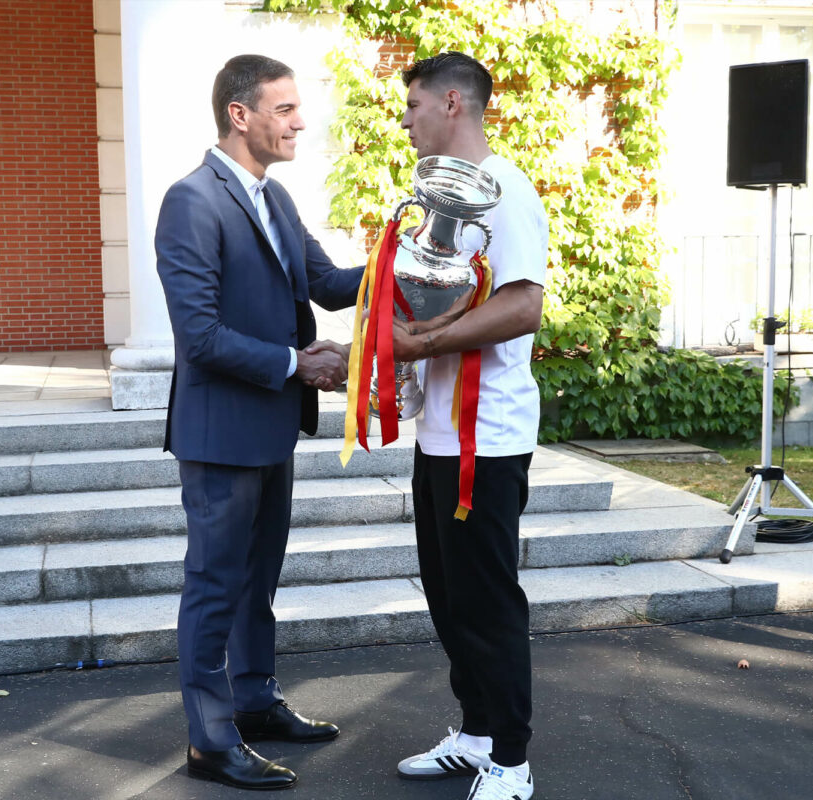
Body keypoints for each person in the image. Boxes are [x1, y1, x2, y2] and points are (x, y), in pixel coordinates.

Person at [155, 54, 363, 791]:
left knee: (258, 584)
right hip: (220, 434)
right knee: (215, 585)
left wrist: (414, 260)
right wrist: (295, 364)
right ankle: (210, 740)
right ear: (239, 115)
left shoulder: (273, 200)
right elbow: (200, 335)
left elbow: (330, 284)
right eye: (284, 109)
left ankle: (253, 700)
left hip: (271, 429)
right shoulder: (192, 201)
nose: (300, 121)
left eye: (297, 108)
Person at [389, 52, 548, 800]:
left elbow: (522, 308)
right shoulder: (437, 199)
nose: (407, 119)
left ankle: (511, 762)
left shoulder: (507, 192)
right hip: (442, 436)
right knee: (449, 598)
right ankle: (477, 733)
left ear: (453, 102)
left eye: (414, 104)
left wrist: (416, 341)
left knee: (488, 601)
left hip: (489, 439)